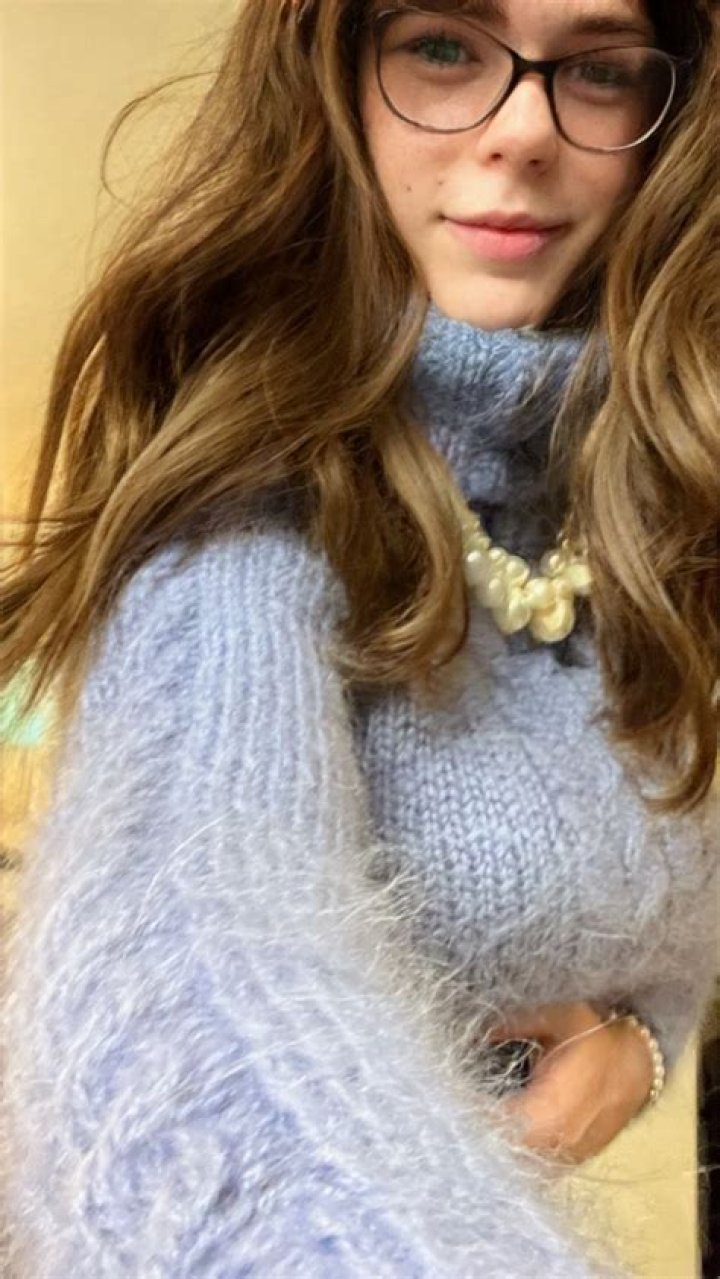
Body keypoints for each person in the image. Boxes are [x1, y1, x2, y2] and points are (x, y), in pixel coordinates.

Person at [0, 0, 717, 1274]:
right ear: (331, 83)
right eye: (442, 47)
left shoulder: (658, 485)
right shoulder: (237, 529)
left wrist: (642, 1036)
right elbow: (192, 955)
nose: (522, 131)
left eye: (602, 69)